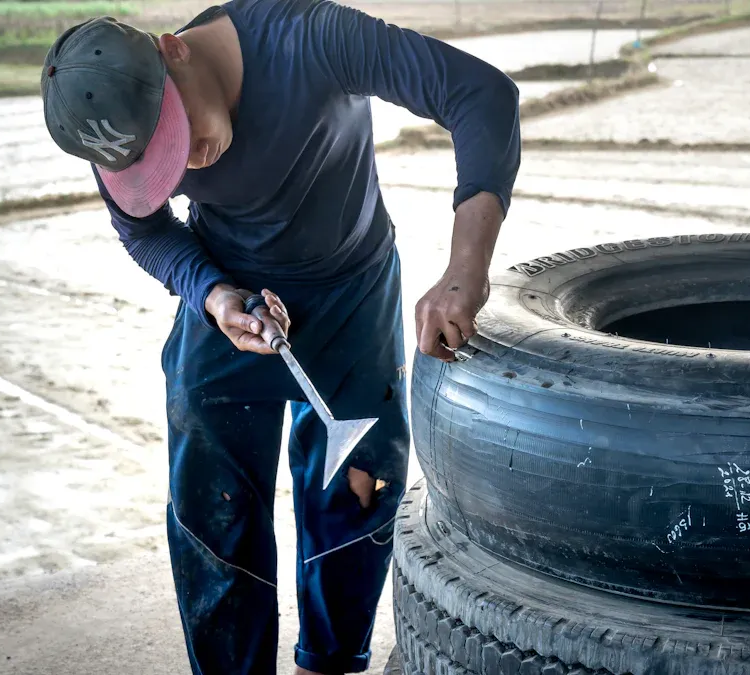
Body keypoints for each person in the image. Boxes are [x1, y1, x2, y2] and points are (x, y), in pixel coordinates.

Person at [38, 1, 521, 673]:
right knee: (213, 511)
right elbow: (144, 230)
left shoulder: (312, 40)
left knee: (356, 492)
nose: (180, 172)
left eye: (178, 145)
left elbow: (480, 94)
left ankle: (327, 662)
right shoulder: (112, 125)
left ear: (174, 50)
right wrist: (211, 293)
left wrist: (466, 269)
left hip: (349, 288)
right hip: (229, 298)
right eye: (158, 169)